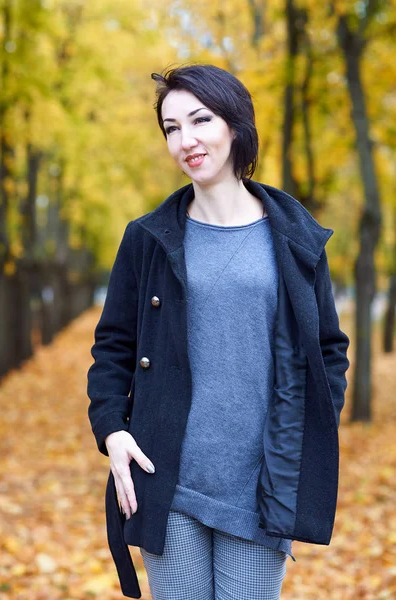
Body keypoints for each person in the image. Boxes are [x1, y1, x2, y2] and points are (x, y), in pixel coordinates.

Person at [87, 64, 350, 600]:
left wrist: (300, 438)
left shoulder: (293, 237)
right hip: (165, 478)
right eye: (171, 128)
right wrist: (113, 432)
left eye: (199, 120)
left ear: (234, 125)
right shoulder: (148, 239)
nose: (186, 140)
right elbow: (112, 348)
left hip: (259, 487)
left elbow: (329, 350)